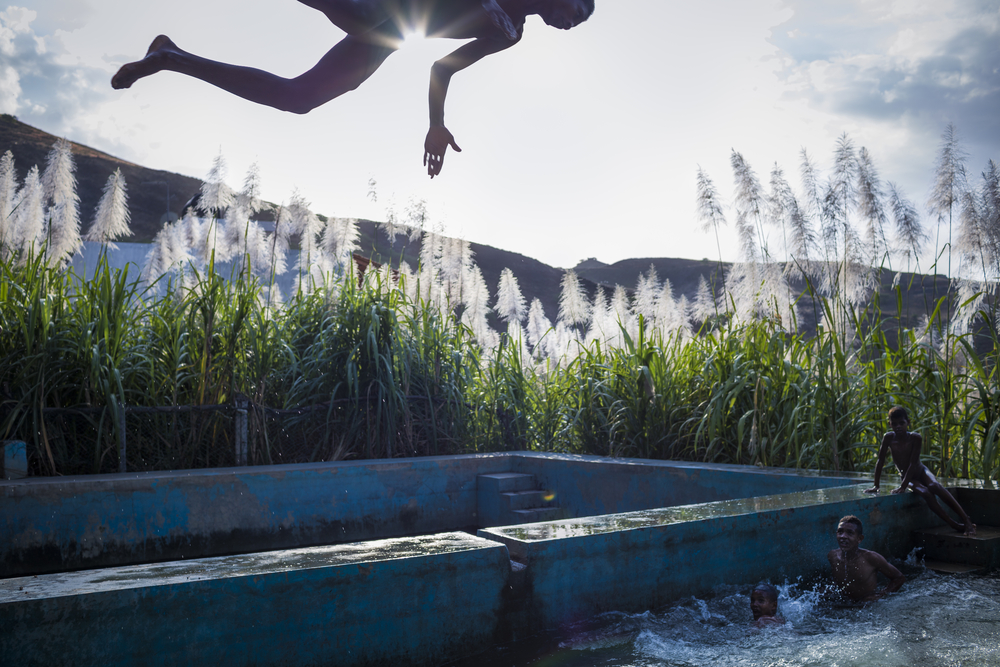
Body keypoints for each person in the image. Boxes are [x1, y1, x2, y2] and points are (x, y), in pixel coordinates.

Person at [111, 0, 595, 178]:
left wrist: (436, 124)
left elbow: (442, 67)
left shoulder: (510, 33)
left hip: (391, 36)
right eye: (580, 10)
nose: (575, 23)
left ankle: (171, 57)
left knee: (298, 99)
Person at [864, 405, 976, 536]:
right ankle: (954, 524)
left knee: (934, 486)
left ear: (908, 423)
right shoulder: (888, 438)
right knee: (926, 493)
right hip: (908, 477)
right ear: (890, 424)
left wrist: (902, 486)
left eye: (901, 423)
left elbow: (913, 463)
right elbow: (880, 461)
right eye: (894, 424)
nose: (898, 426)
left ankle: (966, 520)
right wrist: (876, 485)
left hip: (921, 471)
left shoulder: (915, 438)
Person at [827, 515, 905, 603]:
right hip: (845, 603)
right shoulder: (832, 556)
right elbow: (837, 579)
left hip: (867, 606)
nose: (843, 536)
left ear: (859, 539)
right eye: (840, 532)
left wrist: (882, 595)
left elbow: (899, 578)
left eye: (850, 533)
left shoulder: (871, 558)